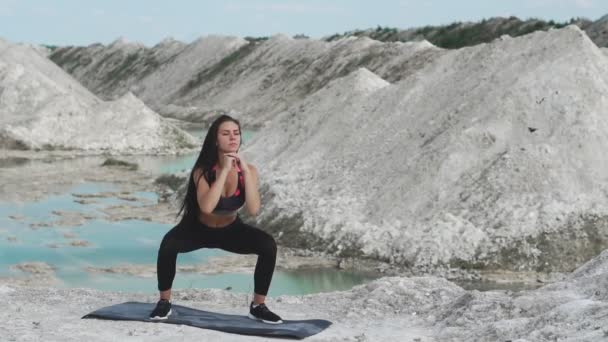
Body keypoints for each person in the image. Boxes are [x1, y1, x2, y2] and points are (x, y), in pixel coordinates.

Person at [149, 115, 282, 324]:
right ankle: (164, 302)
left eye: (236, 133)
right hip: (197, 229)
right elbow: (207, 206)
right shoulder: (202, 171)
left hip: (231, 230)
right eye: (226, 133)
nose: (232, 138)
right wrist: (224, 172)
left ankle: (258, 306)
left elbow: (254, 209)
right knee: (168, 245)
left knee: (268, 245)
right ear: (215, 140)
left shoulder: (250, 171)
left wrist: (245, 171)